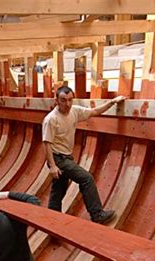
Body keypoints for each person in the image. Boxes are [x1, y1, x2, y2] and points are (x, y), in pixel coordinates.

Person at [42, 86, 125, 224]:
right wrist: (52, 166)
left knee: (59, 188)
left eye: (70, 100)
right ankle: (97, 214)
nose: (67, 104)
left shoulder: (74, 111)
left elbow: (94, 111)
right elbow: (46, 143)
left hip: (66, 156)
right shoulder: (51, 119)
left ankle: (52, 216)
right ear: (56, 100)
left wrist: (112, 102)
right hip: (58, 158)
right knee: (86, 179)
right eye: (63, 100)